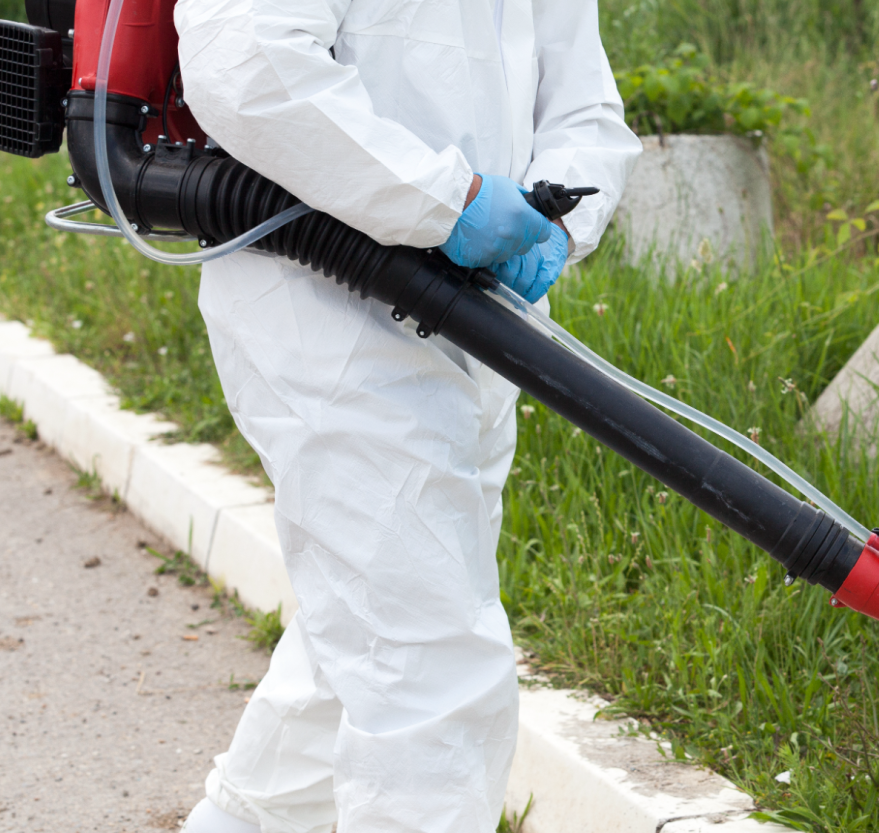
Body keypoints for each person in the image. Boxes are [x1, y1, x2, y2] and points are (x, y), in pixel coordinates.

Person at [170, 0, 641, 830]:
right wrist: (446, 199)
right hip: (324, 317)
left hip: (475, 324)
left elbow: (585, 104)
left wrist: (559, 224)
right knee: (430, 669)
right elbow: (243, 56)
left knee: (353, 638)